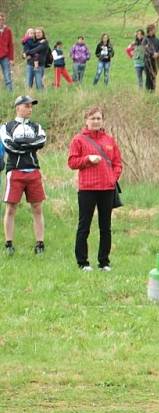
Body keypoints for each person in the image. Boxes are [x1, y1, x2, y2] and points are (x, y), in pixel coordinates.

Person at [68, 106, 122, 272]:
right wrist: (87, 159)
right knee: (84, 226)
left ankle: (104, 262)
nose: (96, 121)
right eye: (92, 118)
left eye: (98, 118)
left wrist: (113, 178)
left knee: (105, 227)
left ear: (102, 120)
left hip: (107, 188)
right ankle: (83, 262)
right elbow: (72, 162)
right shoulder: (78, 140)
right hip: (87, 189)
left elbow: (117, 163)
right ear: (86, 121)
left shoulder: (109, 140)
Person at [2, 95, 47, 257]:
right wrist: (29, 146)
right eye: (27, 106)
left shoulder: (36, 126)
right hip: (14, 171)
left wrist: (22, 145)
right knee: (11, 208)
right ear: (18, 107)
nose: (30, 109)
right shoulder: (6, 126)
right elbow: (9, 145)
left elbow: (41, 141)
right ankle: (8, 244)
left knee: (37, 207)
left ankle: (40, 244)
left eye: (31, 106)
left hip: (33, 171)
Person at [142, 24, 159, 92]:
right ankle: (148, 92)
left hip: (156, 61)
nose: (155, 30)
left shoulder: (157, 40)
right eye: (154, 29)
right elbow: (145, 49)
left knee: (154, 77)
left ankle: (153, 91)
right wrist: (152, 54)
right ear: (150, 30)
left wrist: (158, 53)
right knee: (148, 77)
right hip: (148, 62)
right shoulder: (145, 40)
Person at [0, 13, 14, 91]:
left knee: (7, 76)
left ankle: (10, 94)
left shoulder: (8, 30)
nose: (0, 21)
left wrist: (11, 59)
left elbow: (10, 45)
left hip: (5, 57)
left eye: (2, 19)